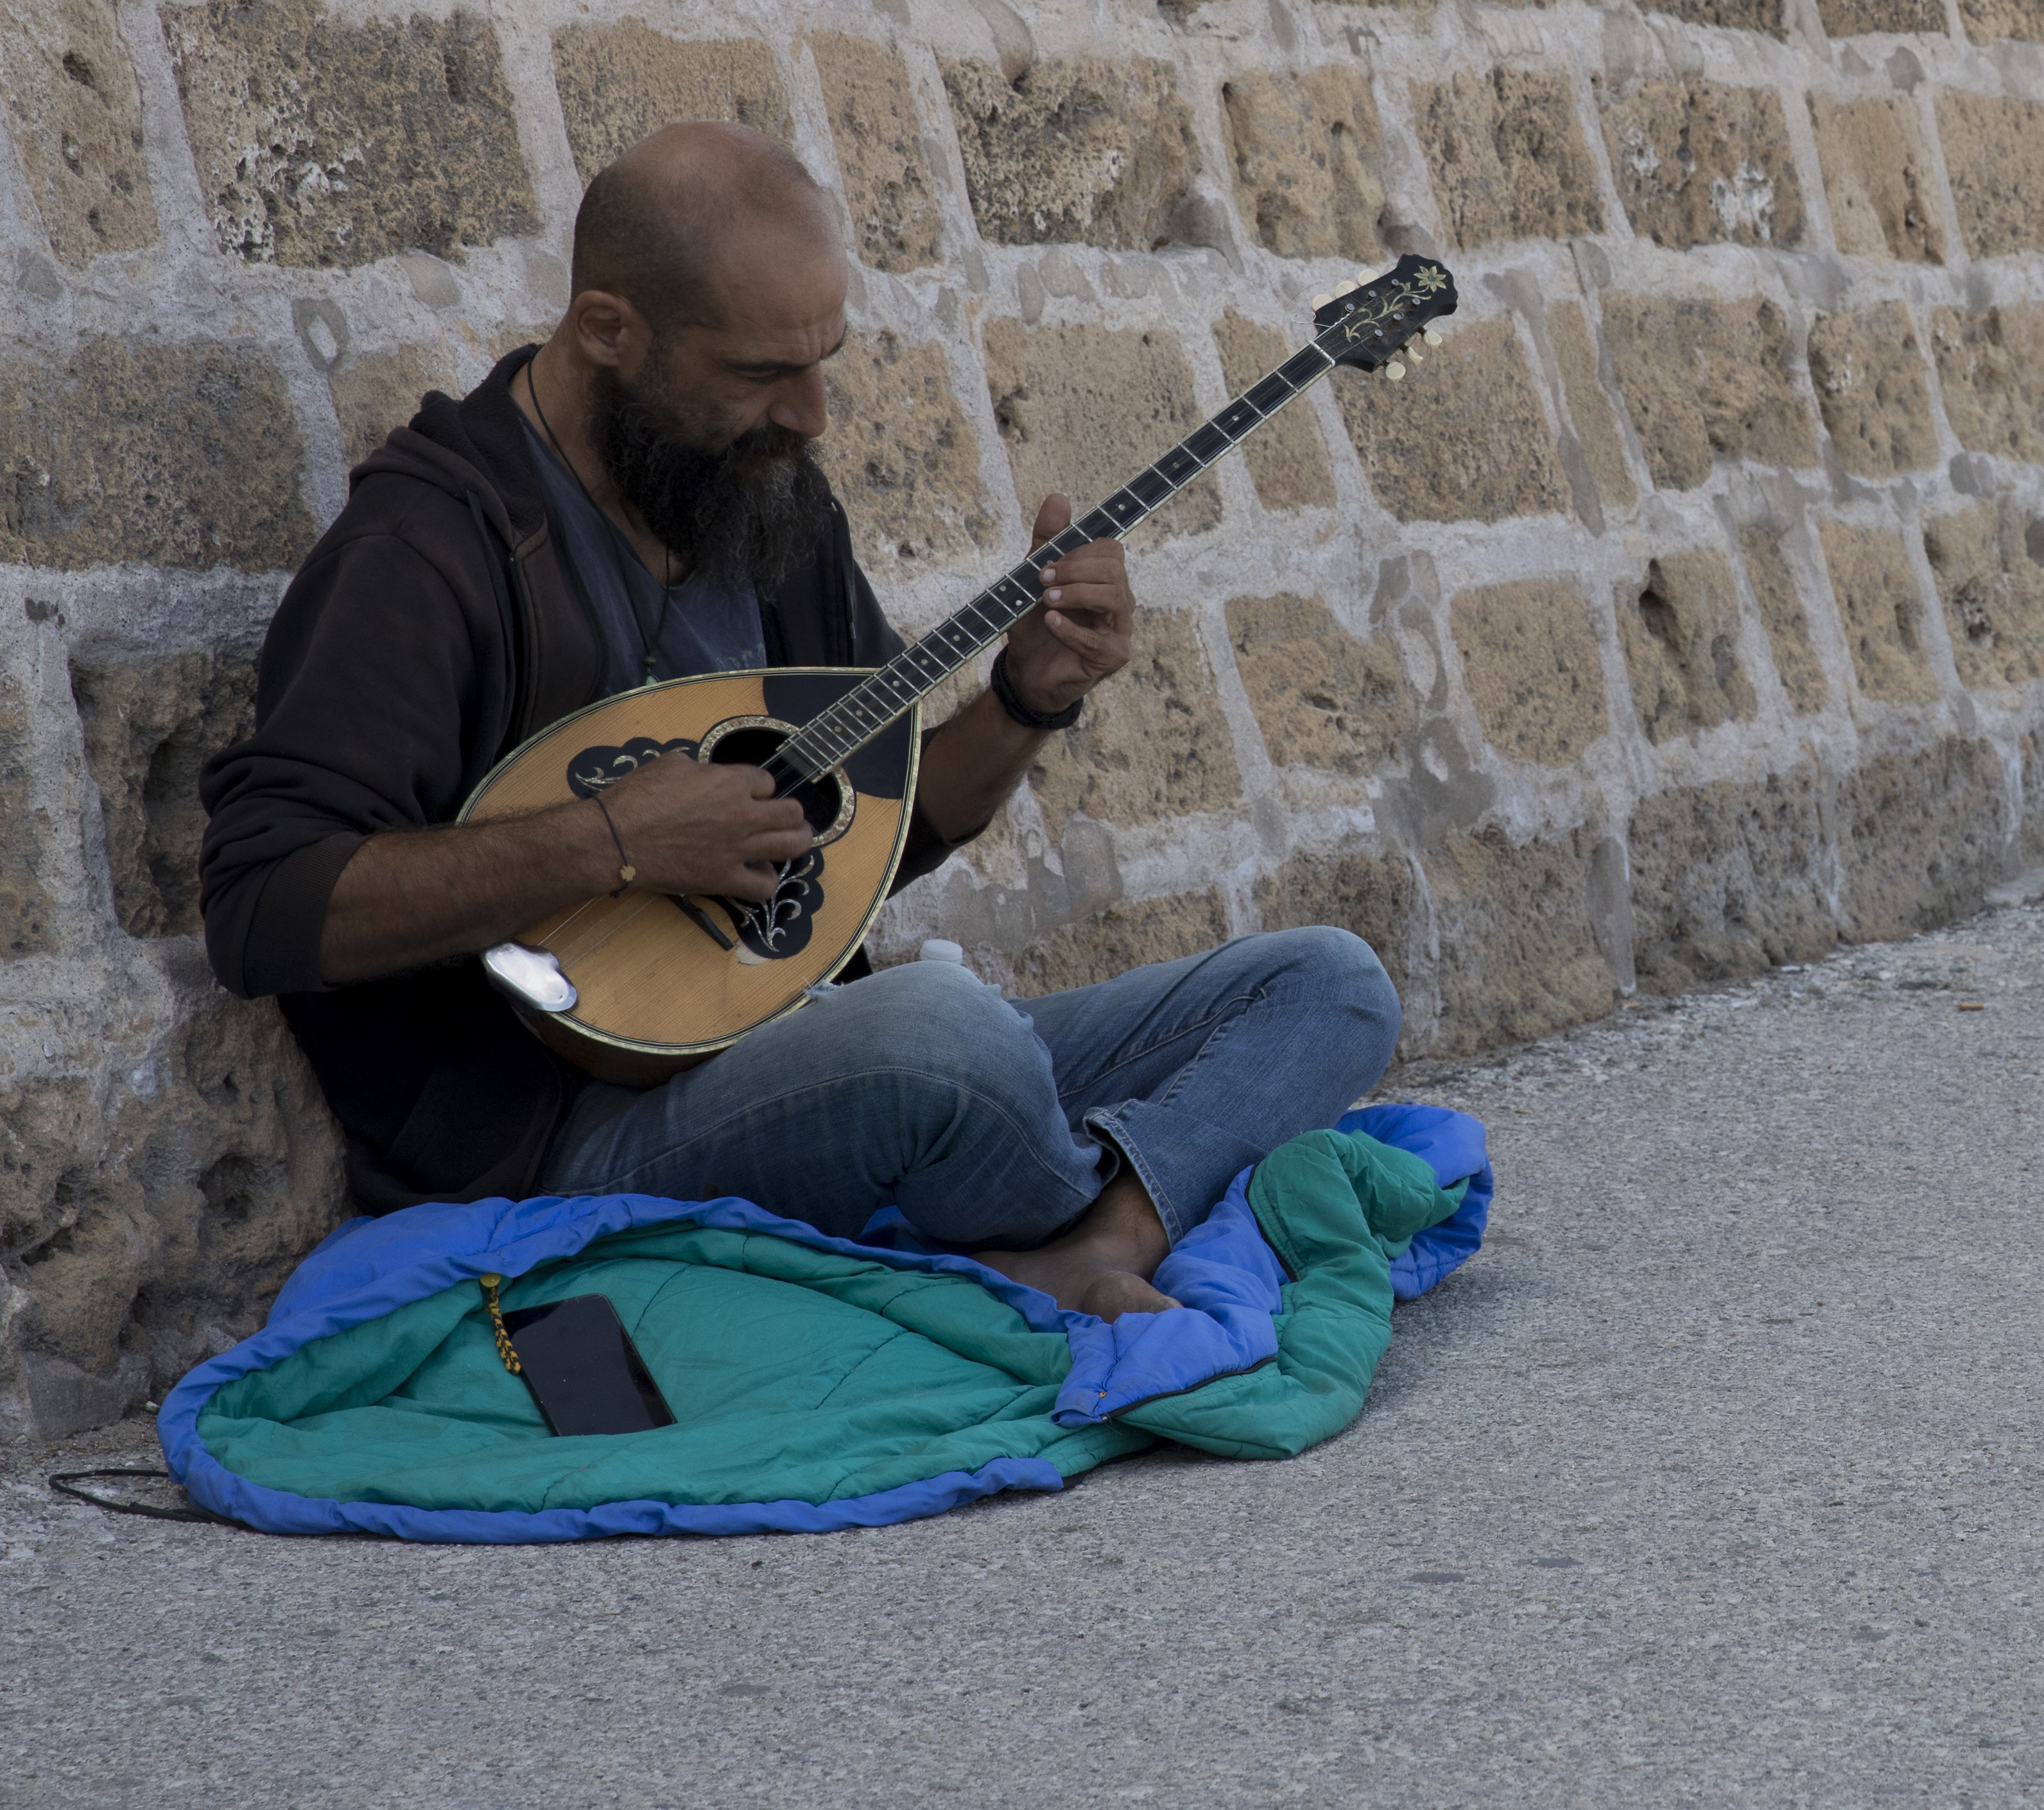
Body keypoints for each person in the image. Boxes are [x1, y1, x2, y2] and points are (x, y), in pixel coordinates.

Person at [200, 122, 1398, 1317]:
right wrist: (612, 840)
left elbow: (890, 820)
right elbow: (264, 906)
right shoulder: (429, 552)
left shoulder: (751, 493)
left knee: (1327, 983)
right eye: (765, 373)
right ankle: (1109, 1181)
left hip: (808, 1042)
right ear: (608, 331)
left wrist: (1032, 696)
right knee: (944, 1037)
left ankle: (1100, 1242)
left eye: (823, 360)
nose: (813, 414)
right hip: (567, 1136)